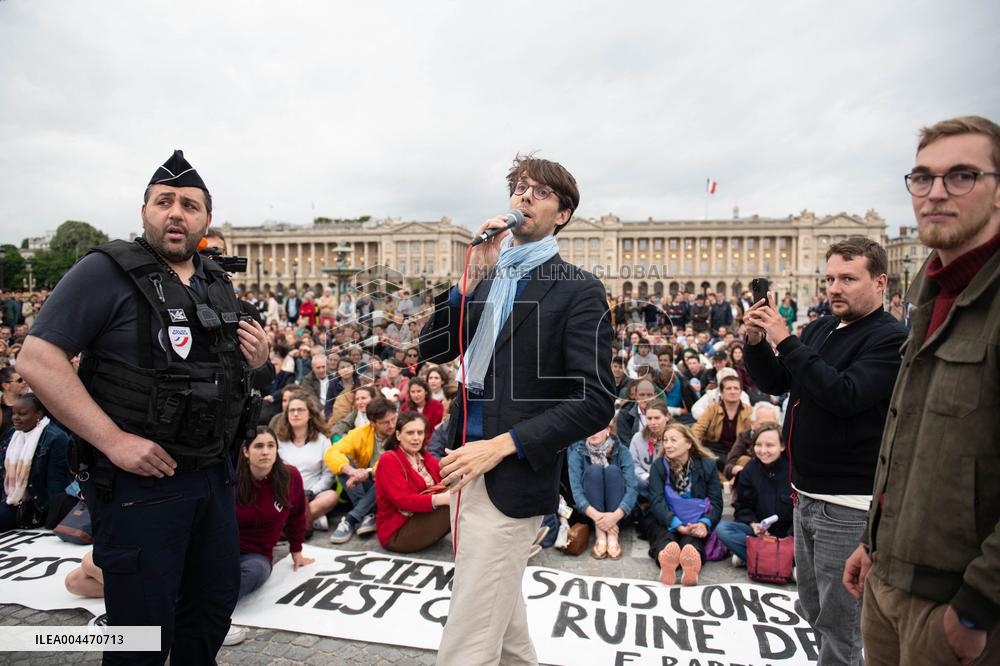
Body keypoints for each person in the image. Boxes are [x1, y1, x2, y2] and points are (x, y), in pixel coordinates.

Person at [17, 150, 270, 664]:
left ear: (206, 220)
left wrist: (259, 360)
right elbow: (38, 359)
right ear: (145, 211)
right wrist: (113, 440)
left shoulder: (215, 281)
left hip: (211, 478)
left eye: (190, 205)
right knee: (140, 630)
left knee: (211, 604)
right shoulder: (103, 272)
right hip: (139, 486)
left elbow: (220, 375)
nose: (177, 212)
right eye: (165, 202)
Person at [421, 155, 614, 664]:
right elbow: (433, 349)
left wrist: (502, 446)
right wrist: (465, 285)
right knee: (499, 619)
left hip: (512, 470)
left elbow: (594, 400)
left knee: (468, 630)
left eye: (540, 192)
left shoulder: (579, 289)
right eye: (519, 188)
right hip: (465, 463)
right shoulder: (486, 275)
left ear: (563, 214)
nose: (524, 197)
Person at [843, 115, 1000, 665]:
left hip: (954, 601)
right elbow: (908, 436)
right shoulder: (928, 295)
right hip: (889, 579)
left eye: (962, 176)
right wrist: (875, 540)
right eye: (922, 177)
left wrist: (979, 605)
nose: (935, 192)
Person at [743, 236, 906, 665]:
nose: (834, 287)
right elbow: (779, 382)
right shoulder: (821, 327)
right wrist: (759, 343)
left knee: (842, 625)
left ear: (880, 282)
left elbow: (845, 395)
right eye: (830, 277)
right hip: (807, 495)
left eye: (848, 278)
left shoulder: (890, 338)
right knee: (814, 609)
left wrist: (787, 341)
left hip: (848, 503)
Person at [226, 427, 313, 646]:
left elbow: (297, 515)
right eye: (258, 446)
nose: (265, 452)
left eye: (270, 446)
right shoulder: (231, 478)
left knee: (254, 573)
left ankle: (209, 612)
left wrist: (296, 550)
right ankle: (137, 639)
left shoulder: (290, 476)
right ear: (245, 452)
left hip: (256, 554)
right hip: (220, 548)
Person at [642, 423, 722, 586]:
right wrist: (676, 524)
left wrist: (703, 524)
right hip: (666, 517)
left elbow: (716, 502)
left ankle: (691, 566)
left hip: (695, 519)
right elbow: (656, 501)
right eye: (665, 440)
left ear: (689, 443)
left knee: (692, 541)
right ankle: (667, 560)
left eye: (673, 440)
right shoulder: (659, 465)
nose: (668, 445)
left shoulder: (707, 465)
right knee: (664, 537)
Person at [715, 423, 792, 566]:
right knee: (723, 529)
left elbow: (804, 512)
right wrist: (753, 524)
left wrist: (788, 537)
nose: (763, 450)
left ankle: (754, 558)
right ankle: (780, 563)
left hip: (790, 535)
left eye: (770, 445)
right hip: (762, 534)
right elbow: (742, 507)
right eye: (758, 445)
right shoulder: (749, 470)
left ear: (782, 446)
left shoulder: (794, 469)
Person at [323, 397, 398, 543]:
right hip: (367, 486)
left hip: (391, 488)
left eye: (393, 419)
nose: (391, 425)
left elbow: (390, 465)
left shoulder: (401, 432)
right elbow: (332, 453)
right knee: (342, 464)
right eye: (385, 422)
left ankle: (352, 518)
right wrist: (351, 471)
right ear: (372, 423)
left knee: (385, 474)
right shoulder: (362, 433)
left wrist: (367, 472)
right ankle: (369, 514)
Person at [374, 411, 451, 553]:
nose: (416, 438)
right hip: (397, 533)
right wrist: (442, 498)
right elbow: (402, 501)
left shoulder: (423, 456)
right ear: (398, 435)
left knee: (465, 487)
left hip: (418, 520)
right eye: (410, 433)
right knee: (457, 500)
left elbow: (445, 477)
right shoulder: (389, 459)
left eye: (420, 433)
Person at [567, 423, 638, 560]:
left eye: (598, 428)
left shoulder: (622, 451)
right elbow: (575, 490)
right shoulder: (577, 453)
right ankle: (600, 534)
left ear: (608, 430)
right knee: (594, 470)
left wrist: (614, 517)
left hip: (619, 513)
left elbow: (632, 488)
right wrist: (598, 518)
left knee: (612, 470)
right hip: (590, 513)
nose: (593, 433)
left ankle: (612, 536)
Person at [0, 393, 70, 531]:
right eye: (14, 413)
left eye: (22, 413)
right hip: (10, 498)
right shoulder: (12, 434)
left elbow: (55, 484)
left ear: (39, 414)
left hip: (35, 506)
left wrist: (53, 518)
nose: (15, 418)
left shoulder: (56, 438)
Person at [273, 394, 338, 531]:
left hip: (311, 496)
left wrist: (311, 492)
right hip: (283, 495)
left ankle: (287, 523)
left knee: (331, 496)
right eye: (292, 410)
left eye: (300, 410)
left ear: (309, 414)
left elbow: (328, 475)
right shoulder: (278, 440)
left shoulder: (322, 441)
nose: (295, 414)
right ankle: (310, 519)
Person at [691, 375, 752, 466]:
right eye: (728, 388)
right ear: (722, 392)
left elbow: (754, 434)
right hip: (715, 451)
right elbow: (698, 428)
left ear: (740, 392)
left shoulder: (749, 411)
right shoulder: (712, 409)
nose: (733, 392)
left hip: (738, 453)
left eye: (736, 388)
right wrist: (691, 444)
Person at [628, 400, 670, 500]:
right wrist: (647, 477)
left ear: (667, 417)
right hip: (646, 481)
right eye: (649, 418)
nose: (653, 422)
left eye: (657, 418)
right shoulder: (638, 438)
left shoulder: (675, 437)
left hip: (668, 481)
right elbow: (633, 464)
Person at [398, 376, 443, 446]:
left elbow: (436, 430)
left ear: (426, 391)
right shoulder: (405, 407)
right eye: (412, 392)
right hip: (410, 443)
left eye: (419, 391)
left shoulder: (437, 406)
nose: (416, 395)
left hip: (431, 443)